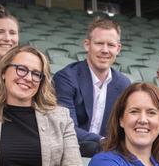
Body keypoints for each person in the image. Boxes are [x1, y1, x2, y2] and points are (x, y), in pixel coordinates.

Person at [53, 17, 130, 157]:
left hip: (109, 157)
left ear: (118, 48)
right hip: (70, 153)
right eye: (99, 43)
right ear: (87, 45)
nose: (105, 50)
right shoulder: (66, 78)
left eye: (111, 45)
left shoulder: (124, 84)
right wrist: (104, 142)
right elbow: (67, 129)